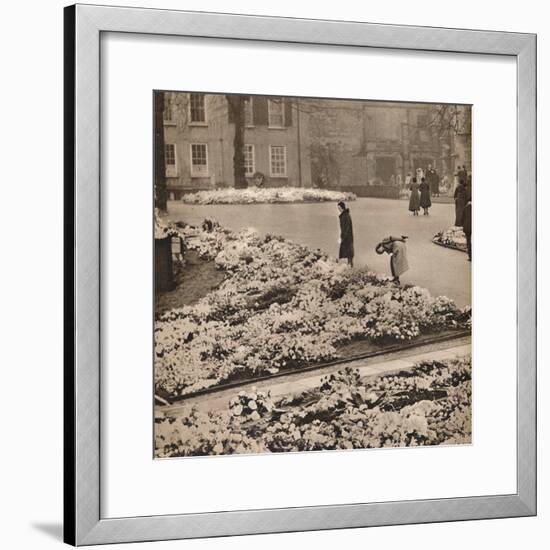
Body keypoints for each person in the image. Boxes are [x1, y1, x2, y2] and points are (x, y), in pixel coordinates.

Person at [337, 201, 354, 267]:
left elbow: (345, 228)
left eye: (339, 208)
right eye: (338, 208)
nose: (339, 209)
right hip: (348, 237)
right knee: (349, 253)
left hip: (347, 237)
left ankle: (350, 266)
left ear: (342, 207)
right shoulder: (345, 215)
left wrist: (342, 237)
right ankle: (350, 265)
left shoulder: (345, 216)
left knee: (349, 253)